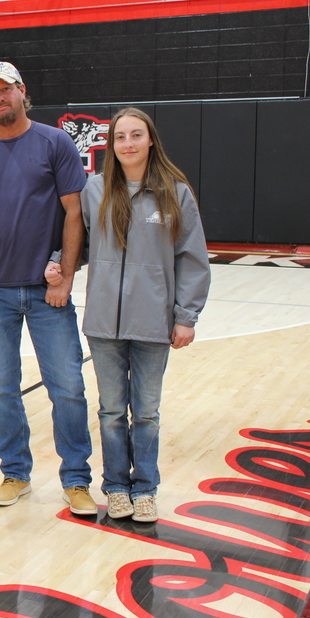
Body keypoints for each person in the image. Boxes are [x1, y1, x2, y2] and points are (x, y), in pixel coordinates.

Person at [0, 61, 97, 516]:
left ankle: (76, 479)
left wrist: (66, 276)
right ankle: (15, 473)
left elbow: (75, 213)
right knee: (0, 390)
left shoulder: (54, 142)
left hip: (48, 294)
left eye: (5, 90)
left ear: (22, 92)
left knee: (67, 386)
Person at [50, 107, 210, 523]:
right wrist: (56, 263)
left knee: (148, 412)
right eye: (120, 137)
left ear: (151, 140)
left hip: (154, 323)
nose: (128, 144)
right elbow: (75, 242)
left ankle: (146, 489)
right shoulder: (95, 190)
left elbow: (192, 259)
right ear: (112, 145)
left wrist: (186, 316)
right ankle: (117, 487)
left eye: (136, 135)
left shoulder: (175, 193)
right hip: (104, 323)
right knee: (111, 410)